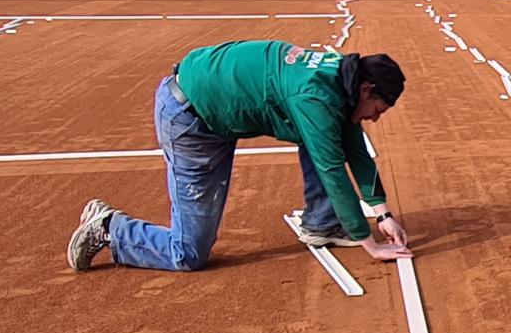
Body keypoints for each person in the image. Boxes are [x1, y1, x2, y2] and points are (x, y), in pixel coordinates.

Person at [67, 41, 412, 273]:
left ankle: (322, 223)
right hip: (191, 120)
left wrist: (383, 214)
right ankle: (110, 228)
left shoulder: (341, 77)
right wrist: (370, 244)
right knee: (187, 253)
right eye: (377, 109)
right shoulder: (315, 97)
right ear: (366, 89)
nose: (375, 117)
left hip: (211, 95)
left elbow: (355, 146)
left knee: (329, 132)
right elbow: (333, 170)